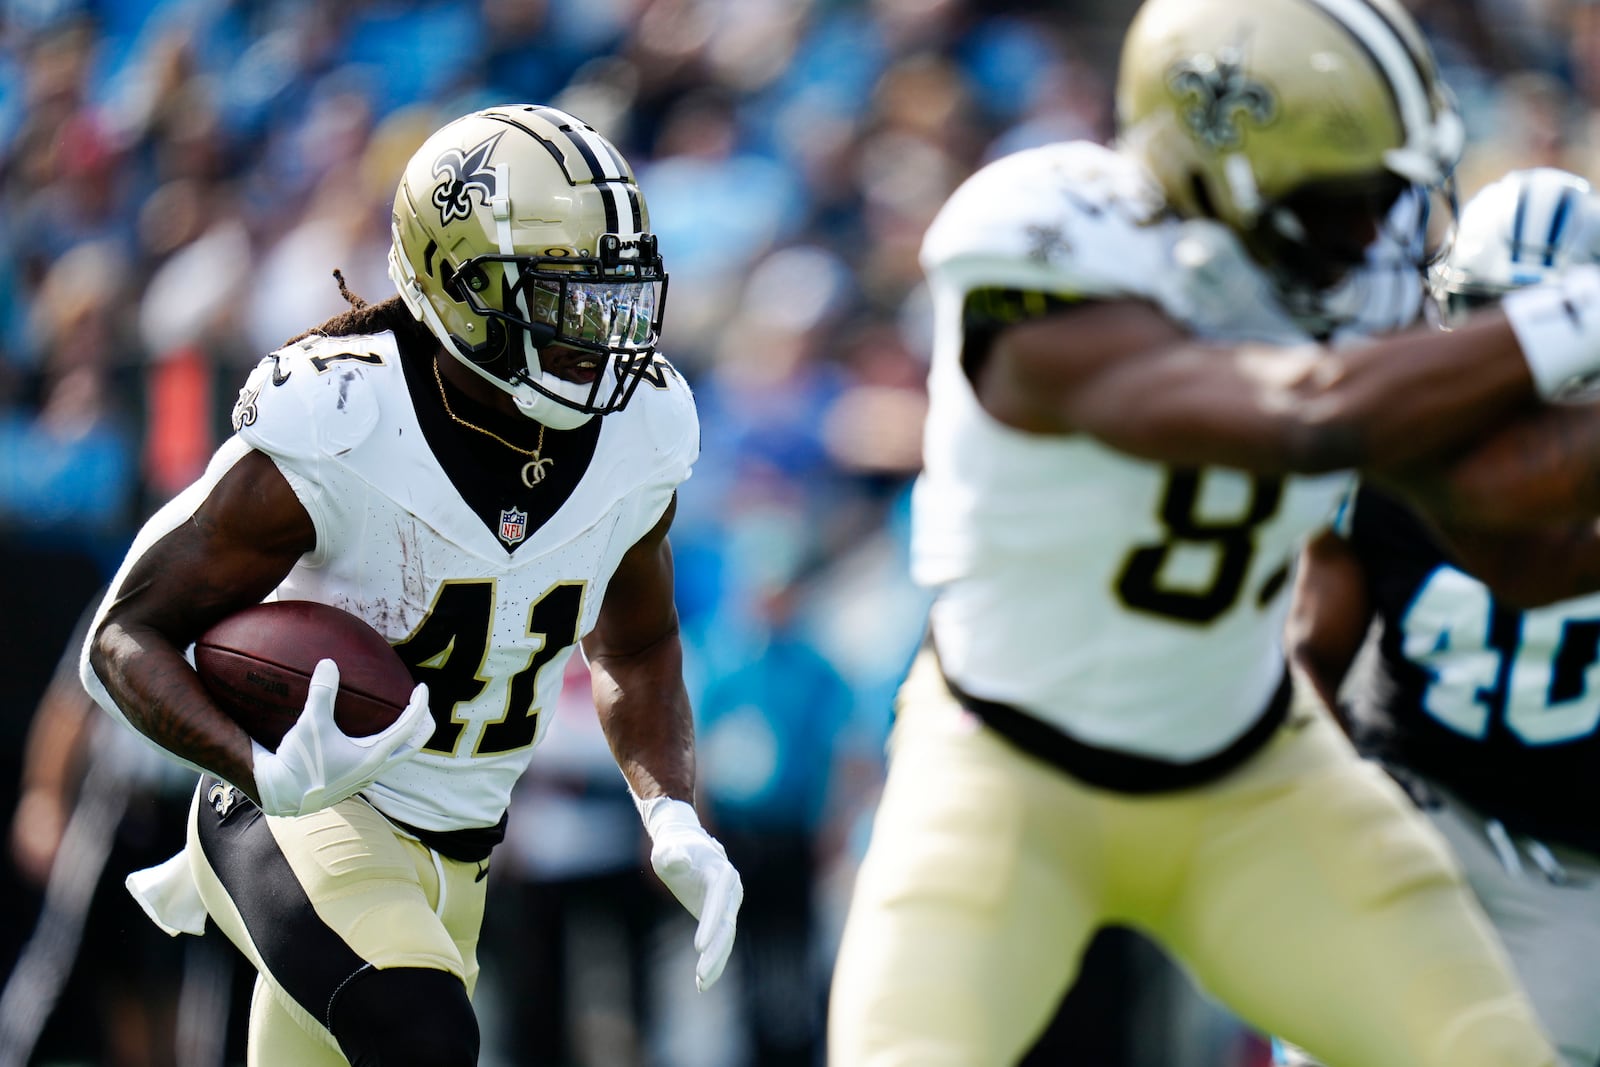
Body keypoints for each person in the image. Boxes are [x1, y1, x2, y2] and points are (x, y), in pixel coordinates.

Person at [825, 0, 1600, 1064]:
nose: (1381, 230)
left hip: (1254, 778)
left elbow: (1503, 517)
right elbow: (1305, 413)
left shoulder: (1331, 290)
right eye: (1350, 195)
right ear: (1231, 168)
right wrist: (1576, 317)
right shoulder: (1041, 237)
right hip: (1005, 771)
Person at [78, 104, 743, 1067]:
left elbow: (634, 644)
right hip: (297, 817)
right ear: (463, 286)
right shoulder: (344, 417)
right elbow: (123, 635)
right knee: (419, 1032)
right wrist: (255, 765)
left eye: (615, 302)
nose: (598, 340)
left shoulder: (644, 429)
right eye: (565, 302)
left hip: (464, 855)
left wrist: (670, 807)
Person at [1281, 167, 1600, 1067]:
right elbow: (1310, 656)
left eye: (1543, 327)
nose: (1516, 360)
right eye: (1490, 316)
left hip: (1576, 859)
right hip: (1414, 799)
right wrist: (1323, 814)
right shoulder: (1395, 451)